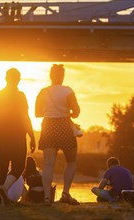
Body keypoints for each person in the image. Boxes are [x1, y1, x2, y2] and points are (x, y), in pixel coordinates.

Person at [0, 68, 36, 205]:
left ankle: (2, 198)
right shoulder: (20, 96)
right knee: (19, 167)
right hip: (17, 137)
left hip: (0, 138)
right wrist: (32, 135)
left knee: (1, 167)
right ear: (18, 79)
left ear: (6, 78)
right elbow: (25, 117)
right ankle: (4, 189)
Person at [35, 64, 81, 206]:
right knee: (71, 161)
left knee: (48, 163)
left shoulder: (43, 92)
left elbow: (37, 114)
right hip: (64, 126)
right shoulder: (68, 91)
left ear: (50, 76)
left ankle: (47, 197)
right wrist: (68, 113)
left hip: (48, 126)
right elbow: (77, 111)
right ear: (62, 76)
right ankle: (65, 194)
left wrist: (49, 112)